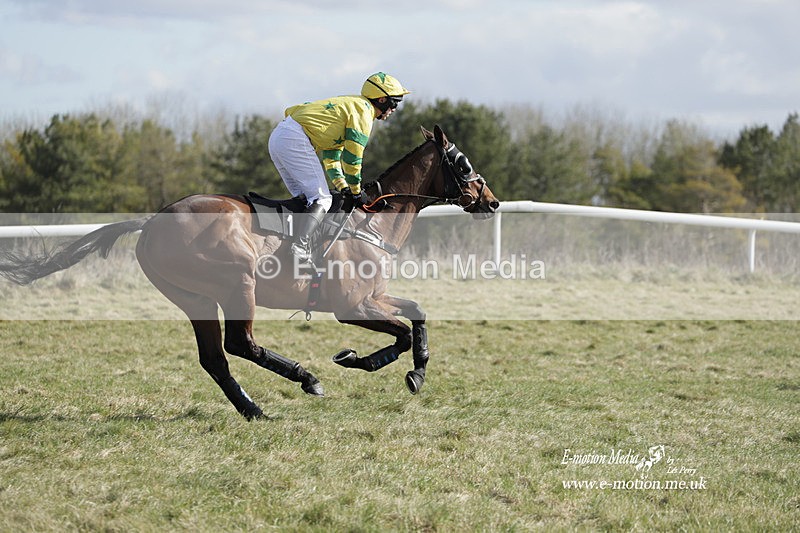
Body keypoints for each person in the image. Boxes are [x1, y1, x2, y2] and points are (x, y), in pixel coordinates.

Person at [268, 72, 410, 263]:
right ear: (382, 99)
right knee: (322, 199)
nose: (394, 109)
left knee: (306, 200)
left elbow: (332, 158)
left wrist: (344, 187)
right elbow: (352, 159)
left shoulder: (354, 105)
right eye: (394, 103)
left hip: (280, 137)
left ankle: (294, 245)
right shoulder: (363, 112)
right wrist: (356, 191)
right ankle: (299, 248)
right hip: (293, 139)